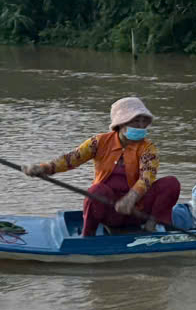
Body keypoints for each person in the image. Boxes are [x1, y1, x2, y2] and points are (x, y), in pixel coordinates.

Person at [22, 97, 181, 236]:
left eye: (143, 122)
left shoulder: (148, 148)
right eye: (135, 121)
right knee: (96, 191)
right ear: (121, 124)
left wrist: (130, 198)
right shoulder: (99, 142)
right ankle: (88, 236)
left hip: (137, 211)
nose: (140, 126)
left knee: (171, 183)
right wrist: (44, 168)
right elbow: (71, 159)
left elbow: (147, 177)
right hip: (110, 210)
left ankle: (151, 225)